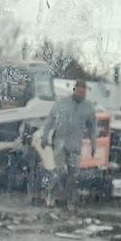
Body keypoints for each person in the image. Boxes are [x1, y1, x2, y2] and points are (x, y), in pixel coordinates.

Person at [41, 78, 96, 208]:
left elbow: (92, 127)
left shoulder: (88, 107)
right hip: (60, 143)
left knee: (73, 175)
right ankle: (51, 196)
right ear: (74, 90)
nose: (81, 95)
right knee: (59, 172)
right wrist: (45, 137)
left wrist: (94, 144)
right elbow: (50, 120)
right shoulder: (62, 104)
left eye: (83, 93)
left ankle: (70, 201)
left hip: (75, 145)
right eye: (79, 92)